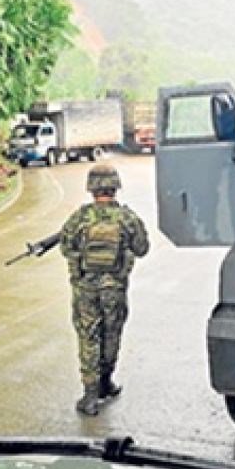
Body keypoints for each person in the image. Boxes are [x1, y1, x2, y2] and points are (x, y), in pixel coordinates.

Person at [58, 163, 150, 416]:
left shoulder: (80, 217)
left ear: (91, 189)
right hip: (115, 288)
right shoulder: (126, 218)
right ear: (115, 186)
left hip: (85, 288)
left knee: (88, 335)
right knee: (111, 333)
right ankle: (105, 382)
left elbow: (66, 247)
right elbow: (142, 248)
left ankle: (90, 394)